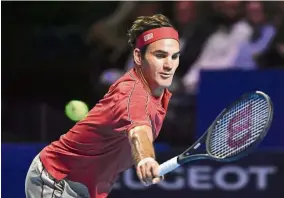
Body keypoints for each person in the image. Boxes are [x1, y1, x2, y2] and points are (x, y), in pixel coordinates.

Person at [25, 14, 180, 198]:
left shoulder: (160, 95)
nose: (169, 64)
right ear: (139, 57)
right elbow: (138, 130)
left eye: (174, 56)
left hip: (90, 188)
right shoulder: (132, 92)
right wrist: (145, 158)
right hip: (58, 179)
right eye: (160, 55)